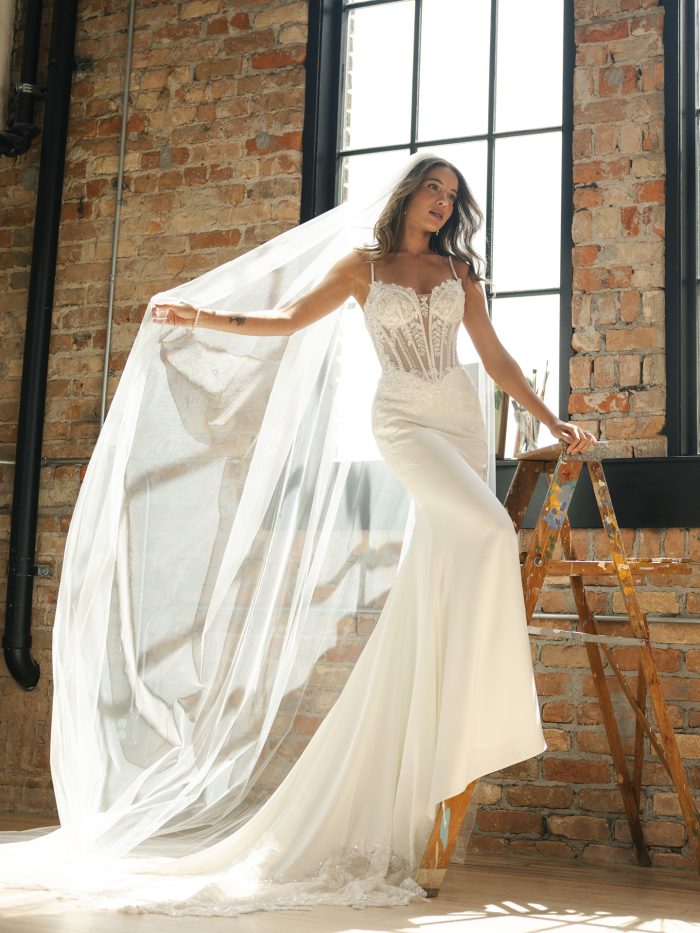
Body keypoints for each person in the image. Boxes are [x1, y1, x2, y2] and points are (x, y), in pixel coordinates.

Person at [0, 155, 596, 916]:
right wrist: (198, 316)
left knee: (453, 563)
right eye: (433, 188)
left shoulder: (459, 275)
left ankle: (445, 707)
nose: (443, 203)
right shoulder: (361, 268)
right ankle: (482, 695)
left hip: (458, 418)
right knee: (486, 532)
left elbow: (496, 358)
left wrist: (551, 420)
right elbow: (285, 323)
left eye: (453, 196)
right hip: (404, 421)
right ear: (408, 194)